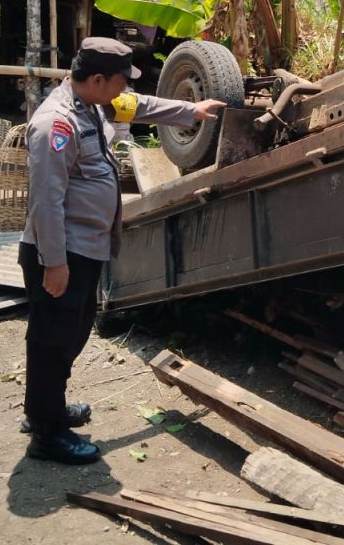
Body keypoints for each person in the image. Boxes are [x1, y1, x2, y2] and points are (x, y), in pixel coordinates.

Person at [20, 36, 226, 465]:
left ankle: (47, 407)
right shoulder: (55, 124)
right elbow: (45, 202)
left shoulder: (97, 104)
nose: (124, 89)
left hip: (86, 250)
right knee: (52, 341)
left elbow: (142, 105)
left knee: (70, 336)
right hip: (64, 254)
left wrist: (191, 110)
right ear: (97, 79)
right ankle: (47, 433)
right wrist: (54, 264)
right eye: (119, 81)